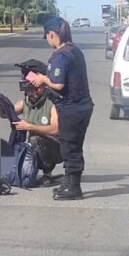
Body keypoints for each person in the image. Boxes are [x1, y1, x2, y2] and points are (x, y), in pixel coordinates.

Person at [31, 17, 94, 200]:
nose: (48, 42)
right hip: (82, 107)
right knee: (72, 145)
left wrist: (43, 79)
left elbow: (58, 84)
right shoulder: (75, 51)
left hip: (71, 108)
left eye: (48, 37)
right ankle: (68, 182)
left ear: (52, 34)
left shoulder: (61, 55)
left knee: (70, 147)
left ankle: (73, 188)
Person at [0, 59, 63, 181]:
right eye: (27, 91)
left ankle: (48, 173)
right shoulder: (26, 103)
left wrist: (29, 127)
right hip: (36, 144)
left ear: (41, 87)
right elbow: (6, 114)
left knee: (35, 139)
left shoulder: (51, 104)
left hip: (57, 147)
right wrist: (0, 105)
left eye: (32, 89)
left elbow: (55, 129)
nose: (30, 94)